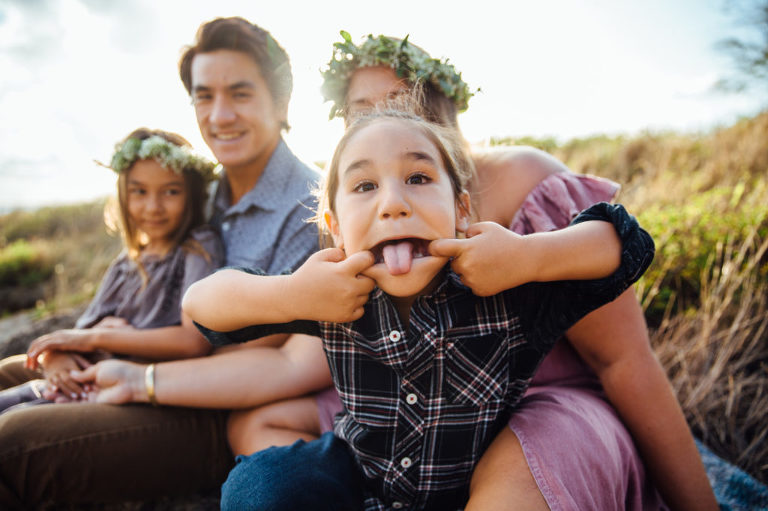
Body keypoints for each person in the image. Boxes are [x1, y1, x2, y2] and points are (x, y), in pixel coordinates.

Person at [223, 33, 718, 511]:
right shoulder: (374, 217)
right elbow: (285, 340)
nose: (385, 121)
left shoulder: (527, 179)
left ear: (444, 106)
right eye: (362, 112)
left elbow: (625, 358)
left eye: (402, 100)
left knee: (516, 482)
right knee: (258, 429)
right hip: (422, 409)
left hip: (541, 405)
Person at [182, 107, 657, 510]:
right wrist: (291, 294)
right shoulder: (333, 294)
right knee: (261, 487)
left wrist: (527, 257)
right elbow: (201, 307)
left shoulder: (510, 292)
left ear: (463, 210)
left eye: (418, 178)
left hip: (473, 487)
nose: (393, 203)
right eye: (364, 186)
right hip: (360, 476)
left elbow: (628, 243)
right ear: (336, 227)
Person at [0, 17, 322, 508]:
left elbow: (263, 353)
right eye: (203, 96)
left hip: (210, 409)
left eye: (240, 93)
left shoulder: (311, 206)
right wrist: (86, 342)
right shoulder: (197, 192)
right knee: (11, 370)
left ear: (280, 101)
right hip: (136, 368)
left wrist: (126, 365)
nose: (220, 115)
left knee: (12, 442)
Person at [0, 127, 222, 413]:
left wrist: (99, 337)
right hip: (85, 378)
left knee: (12, 423)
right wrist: (57, 357)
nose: (153, 207)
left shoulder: (198, 249)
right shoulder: (126, 263)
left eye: (171, 191)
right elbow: (80, 335)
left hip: (131, 389)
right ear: (123, 195)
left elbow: (193, 341)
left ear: (192, 194)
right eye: (139, 191)